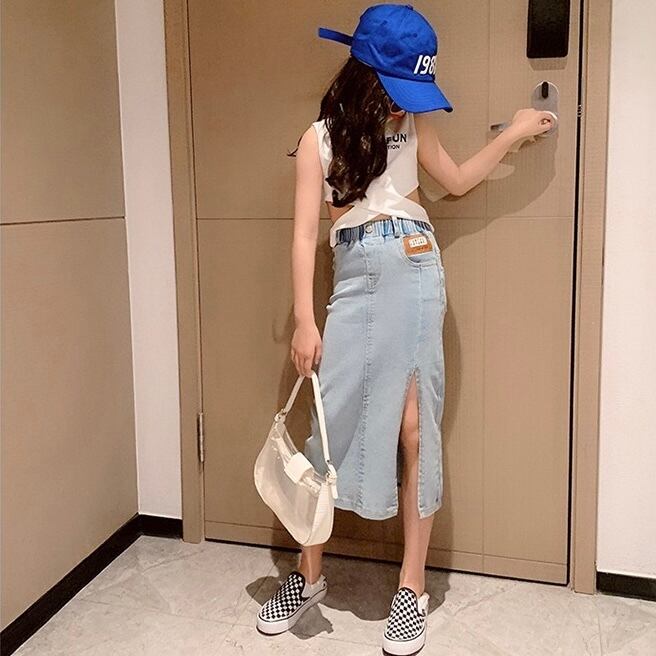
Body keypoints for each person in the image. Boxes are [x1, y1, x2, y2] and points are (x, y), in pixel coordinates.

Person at [256, 4, 553, 654]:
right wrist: (305, 318)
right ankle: (308, 575)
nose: (403, 102)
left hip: (416, 270)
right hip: (353, 280)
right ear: (367, 74)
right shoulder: (318, 138)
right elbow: (304, 235)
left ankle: (411, 588)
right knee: (327, 433)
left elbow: (456, 181)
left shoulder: (414, 124)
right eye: (397, 87)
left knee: (416, 430)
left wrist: (512, 134)